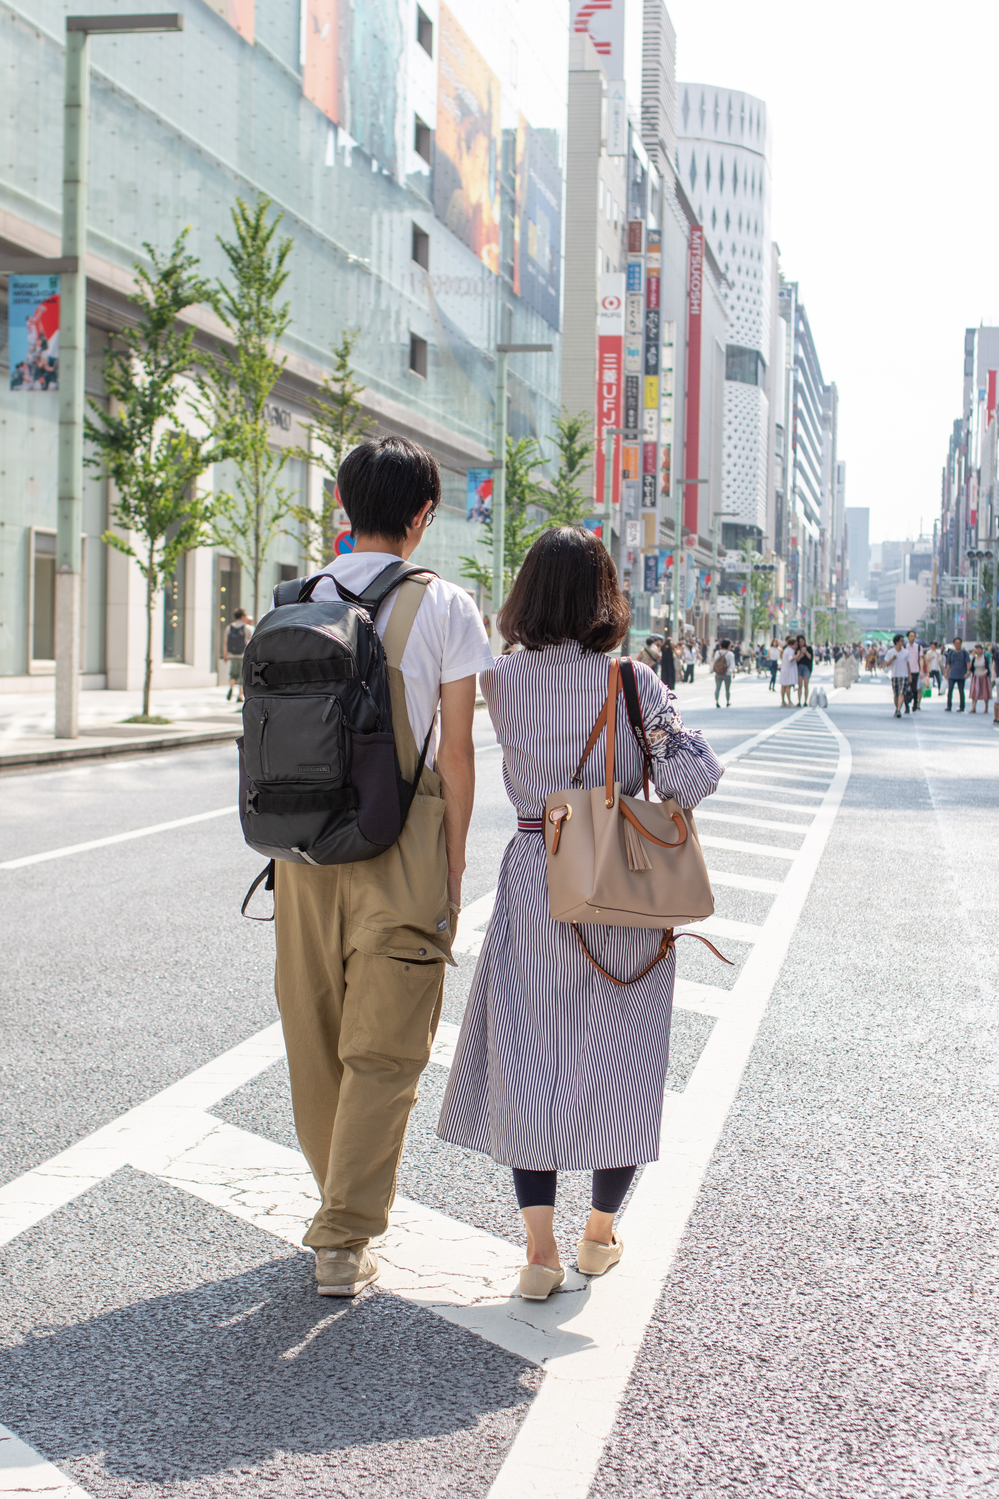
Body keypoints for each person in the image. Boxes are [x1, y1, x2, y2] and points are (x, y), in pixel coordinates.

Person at [436, 527, 723, 1299]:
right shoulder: (633, 683)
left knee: (530, 1057)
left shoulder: (498, 682)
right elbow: (692, 783)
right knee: (621, 1061)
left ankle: (538, 1252)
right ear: (605, 597)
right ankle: (598, 1235)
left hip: (537, 872)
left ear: (526, 594)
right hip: (621, 879)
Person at [273, 436, 494, 1297]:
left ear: (340, 503)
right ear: (422, 515)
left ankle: (338, 1199)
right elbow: (462, 753)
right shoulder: (445, 606)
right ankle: (343, 1232)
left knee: (313, 1028)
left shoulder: (296, 596)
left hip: (302, 845)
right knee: (388, 1044)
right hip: (401, 839)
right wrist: (454, 859)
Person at [223, 608, 253, 703]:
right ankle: (240, 695)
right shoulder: (247, 628)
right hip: (243, 655)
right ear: (243, 617)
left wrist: (225, 654)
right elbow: (251, 643)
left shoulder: (229, 627)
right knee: (242, 675)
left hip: (232, 654)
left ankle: (231, 688)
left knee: (233, 673)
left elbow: (225, 642)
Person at [884, 634, 909, 718]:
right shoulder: (890, 652)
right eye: (902, 640)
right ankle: (897, 708)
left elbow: (908, 664)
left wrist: (910, 675)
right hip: (895, 675)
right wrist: (892, 659)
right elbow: (886, 664)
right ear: (897, 642)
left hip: (904, 675)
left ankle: (898, 710)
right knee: (896, 694)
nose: (903, 642)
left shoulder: (906, 652)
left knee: (902, 694)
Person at [944, 637, 970, 712]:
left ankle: (962, 706)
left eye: (959, 643)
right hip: (952, 674)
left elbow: (968, 663)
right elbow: (948, 664)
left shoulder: (964, 653)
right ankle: (949, 706)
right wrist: (946, 672)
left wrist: (967, 672)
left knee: (961, 691)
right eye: (956, 643)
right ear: (954, 644)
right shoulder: (951, 653)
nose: (957, 645)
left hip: (961, 675)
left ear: (961, 644)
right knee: (950, 690)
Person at [968, 642, 991, 713]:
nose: (978, 650)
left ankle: (986, 707)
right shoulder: (974, 658)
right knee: (974, 692)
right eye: (977, 649)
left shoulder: (985, 658)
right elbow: (971, 669)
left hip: (984, 677)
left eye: (979, 649)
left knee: (985, 692)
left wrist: (983, 674)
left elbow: (987, 668)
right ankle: (973, 707)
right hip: (976, 676)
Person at [712, 637, 735, 707]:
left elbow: (714, 661)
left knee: (717, 687)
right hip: (727, 673)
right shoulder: (730, 654)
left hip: (718, 673)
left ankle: (717, 701)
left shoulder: (717, 653)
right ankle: (727, 701)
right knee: (727, 689)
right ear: (728, 645)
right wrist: (734, 672)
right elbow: (732, 664)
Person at [905, 630, 923, 713]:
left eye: (914, 636)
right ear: (908, 637)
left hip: (915, 670)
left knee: (914, 689)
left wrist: (922, 670)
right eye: (911, 636)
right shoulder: (905, 646)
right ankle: (906, 706)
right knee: (905, 689)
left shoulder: (918, 647)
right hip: (905, 671)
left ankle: (915, 703)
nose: (913, 638)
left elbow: (921, 659)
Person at [794, 634, 813, 706]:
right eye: (799, 642)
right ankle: (799, 701)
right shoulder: (797, 650)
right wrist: (800, 654)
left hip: (806, 667)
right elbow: (797, 660)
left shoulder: (809, 648)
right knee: (799, 686)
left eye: (802, 641)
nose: (801, 643)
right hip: (799, 667)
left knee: (806, 685)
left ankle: (805, 701)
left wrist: (805, 652)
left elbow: (810, 657)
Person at [778, 635, 797, 707]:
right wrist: (797, 655)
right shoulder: (791, 651)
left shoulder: (786, 649)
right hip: (788, 670)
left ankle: (783, 701)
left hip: (784, 669)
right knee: (788, 686)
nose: (796, 646)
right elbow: (790, 659)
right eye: (795, 644)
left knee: (783, 686)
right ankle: (789, 702)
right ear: (791, 644)